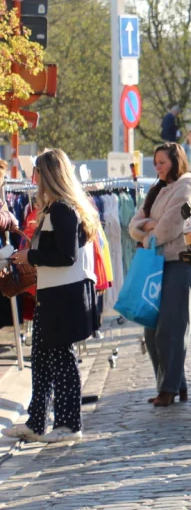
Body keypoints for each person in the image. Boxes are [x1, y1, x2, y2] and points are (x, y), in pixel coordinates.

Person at [0, 150, 100, 444]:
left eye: (38, 174)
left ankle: (69, 425)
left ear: (49, 176)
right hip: (53, 293)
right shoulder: (58, 208)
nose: (34, 179)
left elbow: (66, 256)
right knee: (43, 361)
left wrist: (29, 254)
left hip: (63, 296)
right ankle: (37, 421)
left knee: (61, 360)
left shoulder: (62, 210)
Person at [129, 143, 191, 407]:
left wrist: (148, 228)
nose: (158, 167)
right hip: (157, 263)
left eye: (162, 162)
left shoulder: (188, 188)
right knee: (152, 329)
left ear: (176, 162)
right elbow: (133, 225)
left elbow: (169, 228)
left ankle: (169, 389)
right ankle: (174, 383)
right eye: (156, 163)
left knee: (172, 328)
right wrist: (148, 227)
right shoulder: (157, 189)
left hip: (180, 263)